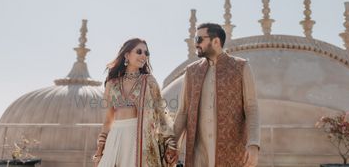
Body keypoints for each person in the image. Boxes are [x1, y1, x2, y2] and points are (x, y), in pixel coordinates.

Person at [174, 23, 260, 167]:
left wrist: (253, 144)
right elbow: (183, 112)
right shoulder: (191, 71)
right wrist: (171, 144)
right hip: (199, 155)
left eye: (199, 39)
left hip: (231, 152)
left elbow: (251, 108)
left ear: (216, 41)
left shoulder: (241, 67)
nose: (196, 44)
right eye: (195, 39)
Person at [93, 38, 178, 167]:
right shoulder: (112, 83)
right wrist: (100, 151)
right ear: (127, 55)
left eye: (146, 53)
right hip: (115, 138)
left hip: (139, 139)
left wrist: (171, 143)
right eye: (139, 51)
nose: (144, 55)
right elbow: (108, 121)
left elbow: (161, 114)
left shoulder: (149, 81)